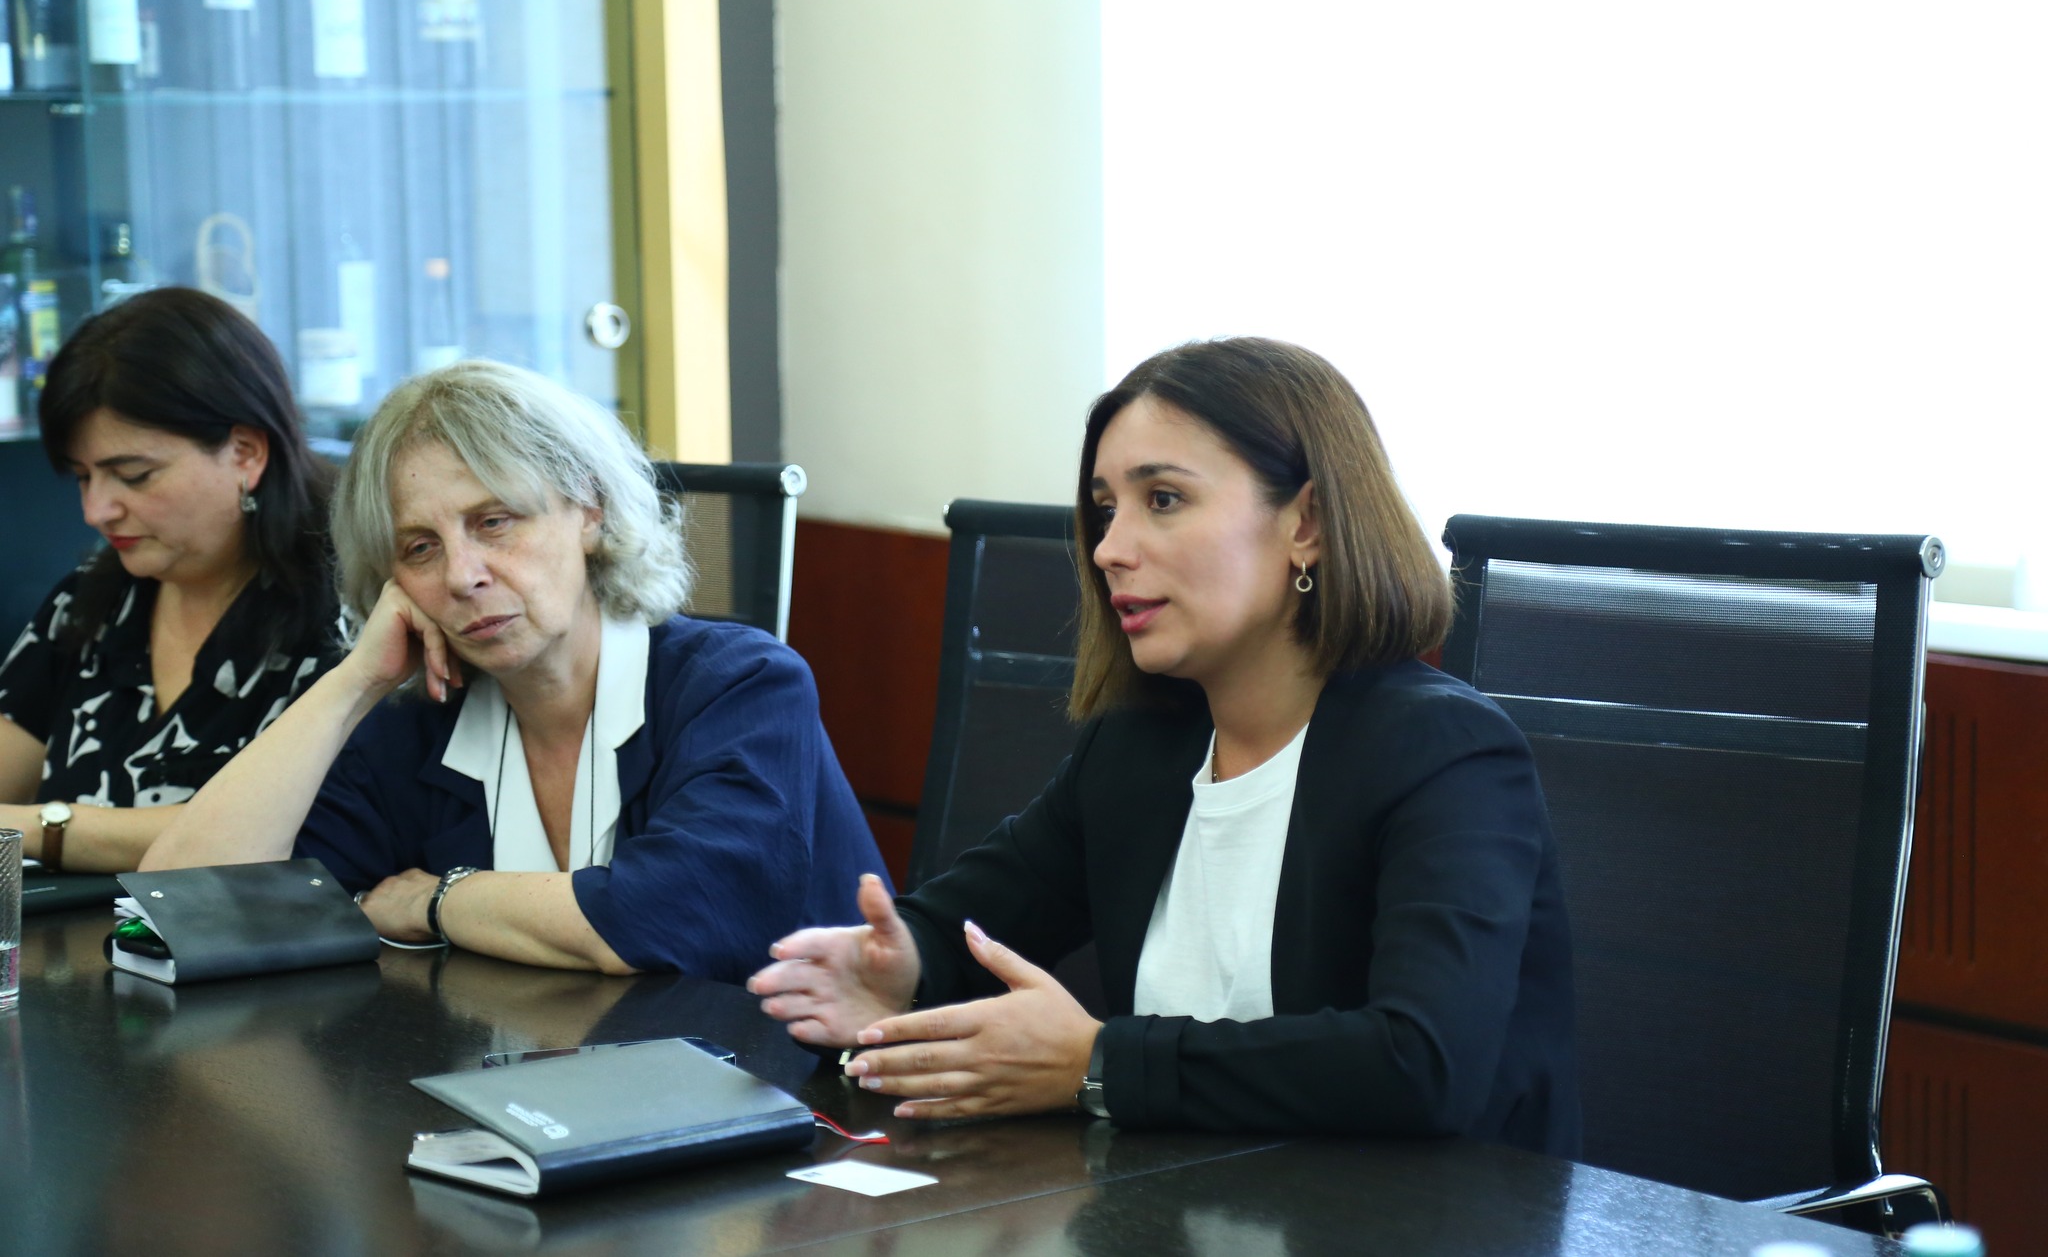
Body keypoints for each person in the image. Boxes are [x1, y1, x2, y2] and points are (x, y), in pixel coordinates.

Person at [752, 337, 1578, 1152]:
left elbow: (1422, 1062)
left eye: (1165, 499)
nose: (1109, 548)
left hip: (1415, 1213)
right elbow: (973, 919)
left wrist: (1098, 1063)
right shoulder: (1138, 746)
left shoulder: (1445, 753)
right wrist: (903, 966)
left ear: (1308, 523)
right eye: (1106, 507)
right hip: (1182, 1198)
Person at [144, 359, 886, 980]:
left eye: (494, 521)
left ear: (589, 508)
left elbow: (667, 917)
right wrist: (355, 682)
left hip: (793, 1091)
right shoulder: (419, 725)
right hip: (533, 1088)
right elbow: (185, 906)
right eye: (419, 548)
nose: (462, 575)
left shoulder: (742, 684)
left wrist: (438, 900)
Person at [0, 289, 343, 873]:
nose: (96, 511)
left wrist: (41, 826)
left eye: (133, 475)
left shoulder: (345, 616)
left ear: (245, 452)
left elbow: (276, 832)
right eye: (82, 477)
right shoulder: (88, 604)